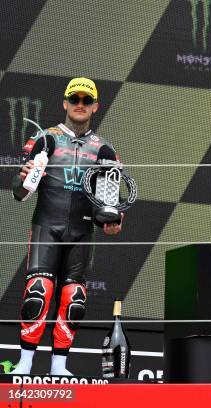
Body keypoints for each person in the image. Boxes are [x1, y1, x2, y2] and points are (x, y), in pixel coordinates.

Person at [10, 77, 123, 376]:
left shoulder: (105, 150)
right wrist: (23, 178)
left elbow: (110, 204)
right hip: (47, 226)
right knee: (39, 290)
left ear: (96, 107)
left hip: (82, 231)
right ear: (65, 103)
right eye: (75, 99)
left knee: (74, 299)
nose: (80, 105)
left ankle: (59, 365)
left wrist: (114, 220)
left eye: (87, 101)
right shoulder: (44, 139)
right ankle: (25, 363)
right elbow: (19, 193)